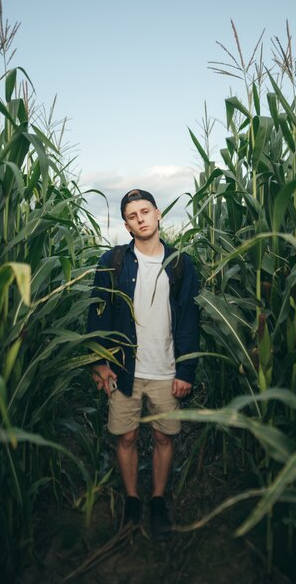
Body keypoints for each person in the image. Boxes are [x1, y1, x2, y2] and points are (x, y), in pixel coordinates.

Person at [87, 188, 199, 540]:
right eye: (133, 215)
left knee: (164, 437)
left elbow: (190, 320)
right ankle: (133, 500)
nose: (141, 219)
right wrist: (99, 363)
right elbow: (98, 313)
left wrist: (186, 371)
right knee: (128, 436)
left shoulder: (181, 264)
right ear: (127, 224)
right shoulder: (113, 261)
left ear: (158, 214)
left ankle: (158, 501)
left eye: (146, 211)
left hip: (167, 370)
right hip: (124, 370)